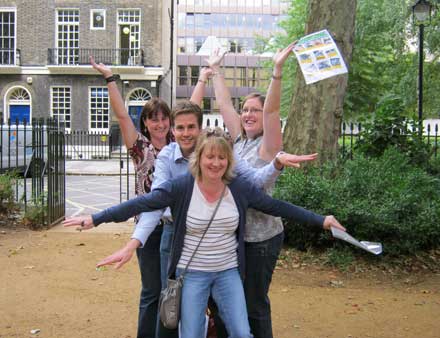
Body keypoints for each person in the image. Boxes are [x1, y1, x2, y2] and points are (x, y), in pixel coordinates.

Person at [63, 128, 346, 338]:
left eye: (222, 158)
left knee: (240, 331)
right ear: (199, 159)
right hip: (192, 273)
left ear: (229, 161)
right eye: (210, 157)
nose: (216, 163)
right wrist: (97, 218)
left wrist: (322, 220)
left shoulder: (238, 188)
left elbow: (276, 206)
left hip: (227, 273)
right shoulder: (182, 187)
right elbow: (142, 203)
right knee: (192, 334)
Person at [89, 56, 210, 338]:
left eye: (163, 118)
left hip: (174, 225)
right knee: (151, 291)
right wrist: (110, 78)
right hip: (148, 226)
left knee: (172, 290)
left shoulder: (177, 143)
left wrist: (203, 78)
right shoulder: (139, 147)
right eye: (152, 119)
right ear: (145, 122)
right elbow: (121, 115)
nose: (159, 123)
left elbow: (191, 108)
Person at [207, 42, 306, 338]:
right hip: (236, 237)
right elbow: (224, 105)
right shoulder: (238, 141)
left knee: (254, 305)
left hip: (261, 238)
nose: (249, 114)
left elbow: (274, 110)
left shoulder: (269, 146)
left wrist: (277, 71)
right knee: (228, 300)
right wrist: (215, 71)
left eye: (255, 111)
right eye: (246, 110)